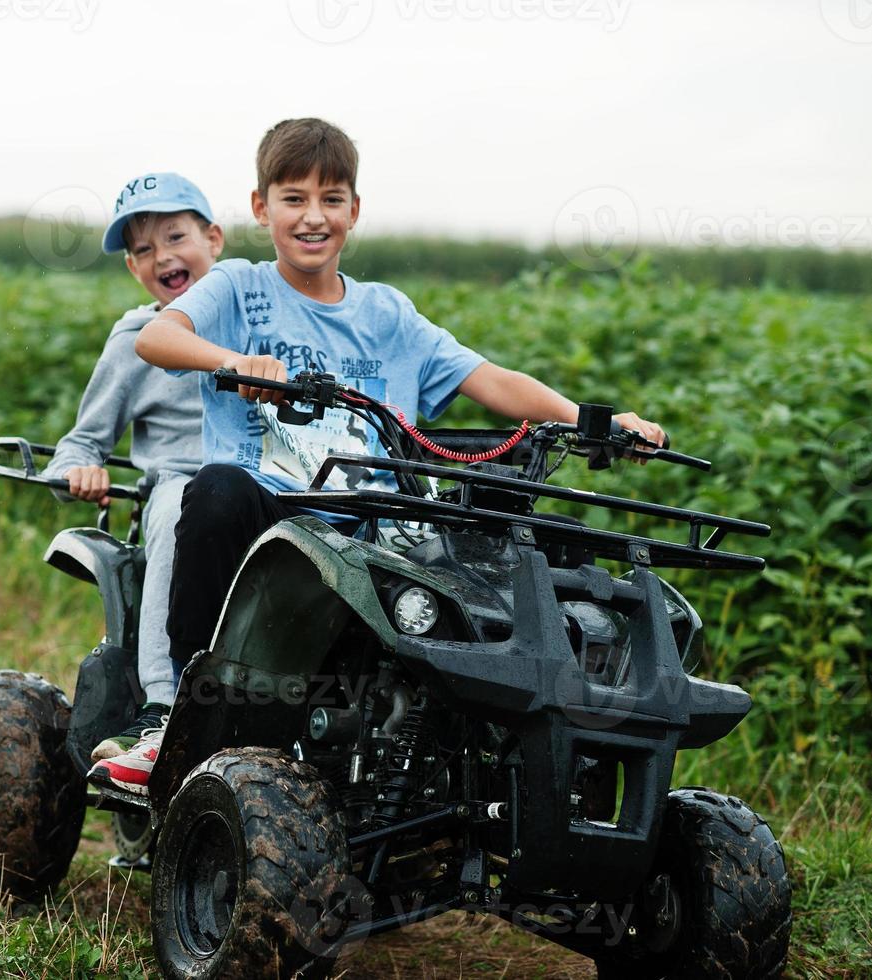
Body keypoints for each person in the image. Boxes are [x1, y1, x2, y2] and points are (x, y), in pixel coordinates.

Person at [87, 118, 665, 795]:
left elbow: (492, 380)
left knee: (525, 529)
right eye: (293, 198)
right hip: (273, 513)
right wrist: (234, 360)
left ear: (353, 212)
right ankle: (182, 714)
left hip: (376, 517)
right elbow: (159, 338)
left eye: (330, 199)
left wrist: (593, 420)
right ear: (259, 207)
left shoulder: (386, 314)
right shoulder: (237, 289)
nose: (312, 216)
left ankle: (550, 757)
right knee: (214, 489)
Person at [43, 171, 225, 761]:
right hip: (181, 483)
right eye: (143, 250)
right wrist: (80, 470)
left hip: (268, 483)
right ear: (132, 270)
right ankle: (161, 705)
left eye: (175, 238)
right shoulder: (135, 339)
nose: (162, 257)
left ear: (214, 240)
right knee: (177, 511)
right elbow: (82, 441)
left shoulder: (255, 318)